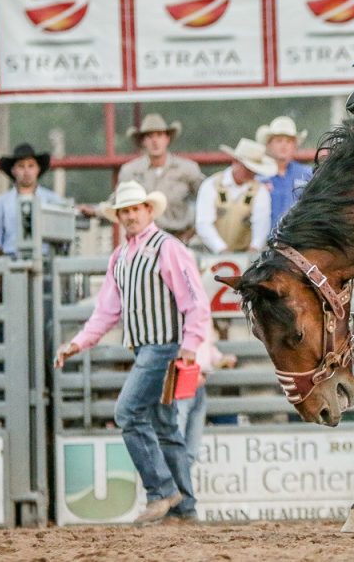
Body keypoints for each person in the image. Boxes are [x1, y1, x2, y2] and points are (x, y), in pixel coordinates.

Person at [54, 180, 211, 524]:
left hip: (163, 347)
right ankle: (184, 507)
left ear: (148, 210)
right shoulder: (121, 257)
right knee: (165, 426)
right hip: (148, 349)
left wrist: (190, 345)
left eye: (135, 209)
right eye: (124, 211)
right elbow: (106, 311)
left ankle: (161, 490)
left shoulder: (167, 248)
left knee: (127, 413)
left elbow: (195, 302)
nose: (130, 216)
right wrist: (79, 342)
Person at [117, 114, 205, 241]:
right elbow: (117, 202)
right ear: (142, 141)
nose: (155, 141)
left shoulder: (187, 169)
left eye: (159, 135)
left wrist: (194, 230)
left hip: (181, 238)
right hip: (144, 240)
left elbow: (207, 198)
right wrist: (94, 211)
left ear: (167, 138)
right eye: (149, 136)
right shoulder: (130, 172)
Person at [195, 138, 276, 254]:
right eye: (247, 168)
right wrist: (221, 249)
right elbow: (203, 223)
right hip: (210, 253)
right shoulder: (211, 185)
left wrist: (254, 249)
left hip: (247, 253)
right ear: (235, 162)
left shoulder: (260, 191)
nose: (251, 173)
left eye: (254, 169)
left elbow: (261, 224)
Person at [175, 322, 236, 469]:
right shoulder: (183, 311)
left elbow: (205, 346)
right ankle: (175, 482)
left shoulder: (203, 314)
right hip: (182, 381)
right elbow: (173, 344)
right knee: (177, 444)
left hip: (198, 383)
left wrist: (219, 358)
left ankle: (180, 482)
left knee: (190, 450)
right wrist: (190, 369)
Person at [0, 143, 65, 256]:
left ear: (38, 169)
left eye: (31, 166)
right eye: (21, 166)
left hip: (45, 259)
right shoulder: (0, 203)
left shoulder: (53, 200)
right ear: (13, 170)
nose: (26, 171)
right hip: (10, 259)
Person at [254, 116, 313, 232]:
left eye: (289, 141)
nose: (284, 145)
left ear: (295, 146)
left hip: (299, 239)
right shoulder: (257, 177)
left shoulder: (308, 175)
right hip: (264, 239)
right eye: (279, 140)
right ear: (269, 145)